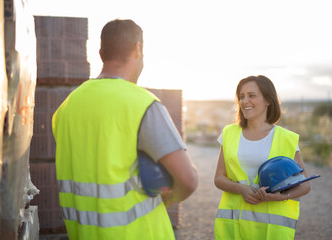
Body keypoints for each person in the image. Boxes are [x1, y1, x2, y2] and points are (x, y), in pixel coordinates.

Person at [52, 19, 198, 240]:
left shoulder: (66, 107)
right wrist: (169, 198)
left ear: (101, 54)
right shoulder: (142, 104)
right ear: (138, 48)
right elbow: (188, 180)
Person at [213, 75, 311, 239]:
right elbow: (218, 178)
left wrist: (280, 197)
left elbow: (305, 185)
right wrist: (242, 189)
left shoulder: (286, 138)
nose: (244, 101)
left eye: (251, 95)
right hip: (233, 226)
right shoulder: (229, 133)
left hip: (272, 229)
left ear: (267, 100)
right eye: (241, 97)